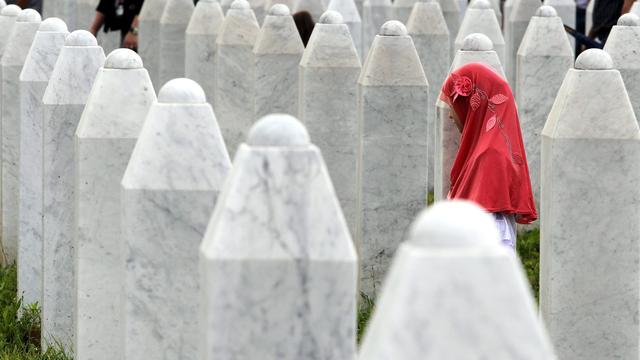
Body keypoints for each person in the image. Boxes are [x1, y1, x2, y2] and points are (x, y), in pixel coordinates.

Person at [439, 62, 537, 250]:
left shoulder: (489, 157)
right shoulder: (483, 150)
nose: (451, 115)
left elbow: (491, 238)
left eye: (454, 104)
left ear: (472, 105)